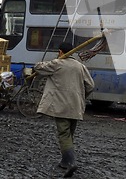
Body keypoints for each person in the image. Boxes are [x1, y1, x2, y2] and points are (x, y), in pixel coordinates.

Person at [33, 42, 95, 177]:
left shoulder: (57, 64)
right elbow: (90, 85)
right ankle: (65, 160)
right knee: (70, 133)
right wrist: (81, 96)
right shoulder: (80, 66)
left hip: (61, 106)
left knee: (64, 134)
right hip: (76, 106)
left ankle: (71, 162)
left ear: (61, 52)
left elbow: (38, 68)